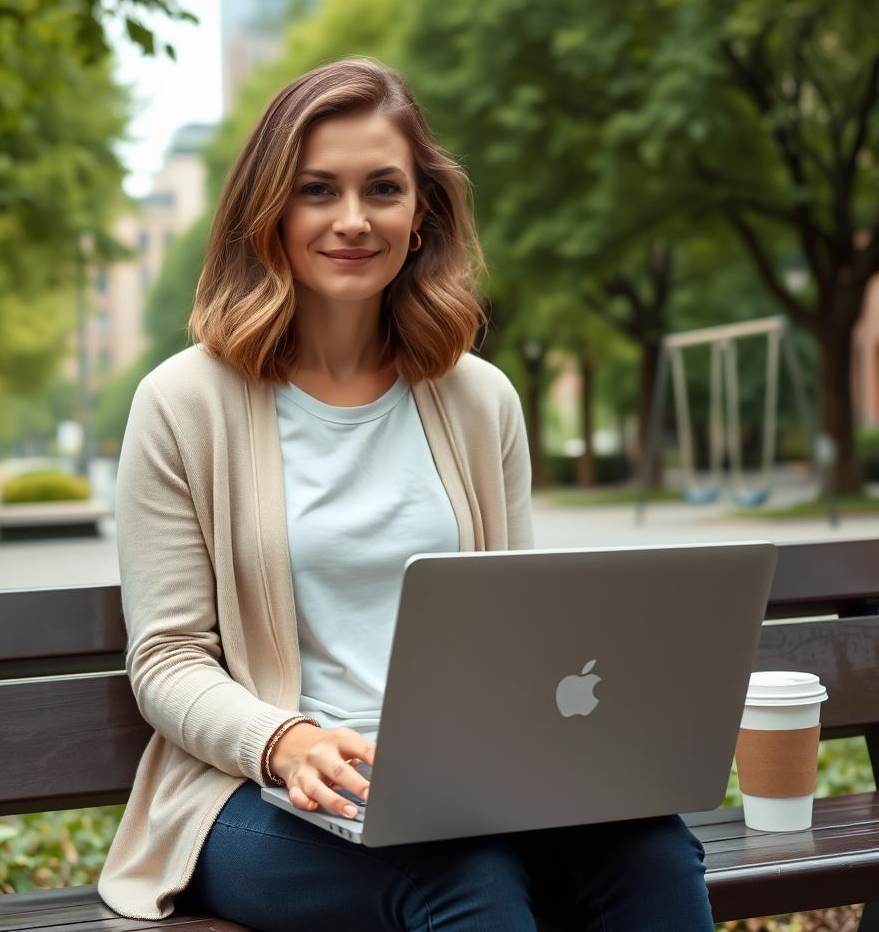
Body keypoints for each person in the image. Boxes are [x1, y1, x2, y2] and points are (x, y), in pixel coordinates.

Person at [97, 58, 713, 930]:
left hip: (469, 782)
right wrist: (287, 742)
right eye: (317, 190)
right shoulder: (182, 403)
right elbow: (165, 658)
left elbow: (523, 629)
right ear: (268, 209)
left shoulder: (480, 398)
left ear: (421, 210)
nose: (353, 220)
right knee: (468, 881)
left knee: (649, 851)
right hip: (258, 792)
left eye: (382, 188)